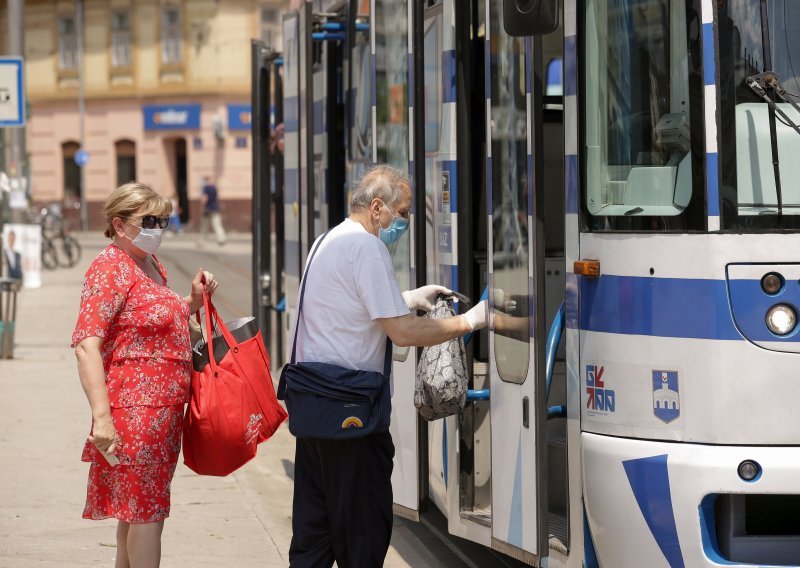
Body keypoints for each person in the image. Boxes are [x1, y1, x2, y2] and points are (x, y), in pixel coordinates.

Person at [288, 164, 488, 567]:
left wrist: (407, 297)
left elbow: (345, 304)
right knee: (363, 531)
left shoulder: (326, 240)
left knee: (314, 536)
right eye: (403, 213)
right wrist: (470, 321)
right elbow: (403, 333)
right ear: (377, 207)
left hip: (312, 409)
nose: (406, 222)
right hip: (352, 417)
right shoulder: (367, 246)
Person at [71, 182, 220, 568]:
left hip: (163, 414)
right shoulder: (109, 268)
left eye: (165, 220)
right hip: (135, 414)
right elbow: (87, 344)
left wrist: (191, 300)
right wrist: (102, 420)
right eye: (149, 220)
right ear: (119, 225)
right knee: (147, 514)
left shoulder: (150, 264)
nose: (159, 228)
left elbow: (152, 316)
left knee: (136, 510)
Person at [198, 175, 226, 246]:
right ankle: (221, 238)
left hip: (208, 209)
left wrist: (202, 207)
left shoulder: (206, 188)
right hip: (215, 208)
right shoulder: (214, 187)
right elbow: (217, 197)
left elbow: (205, 198)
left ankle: (202, 241)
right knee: (217, 224)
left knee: (204, 226)